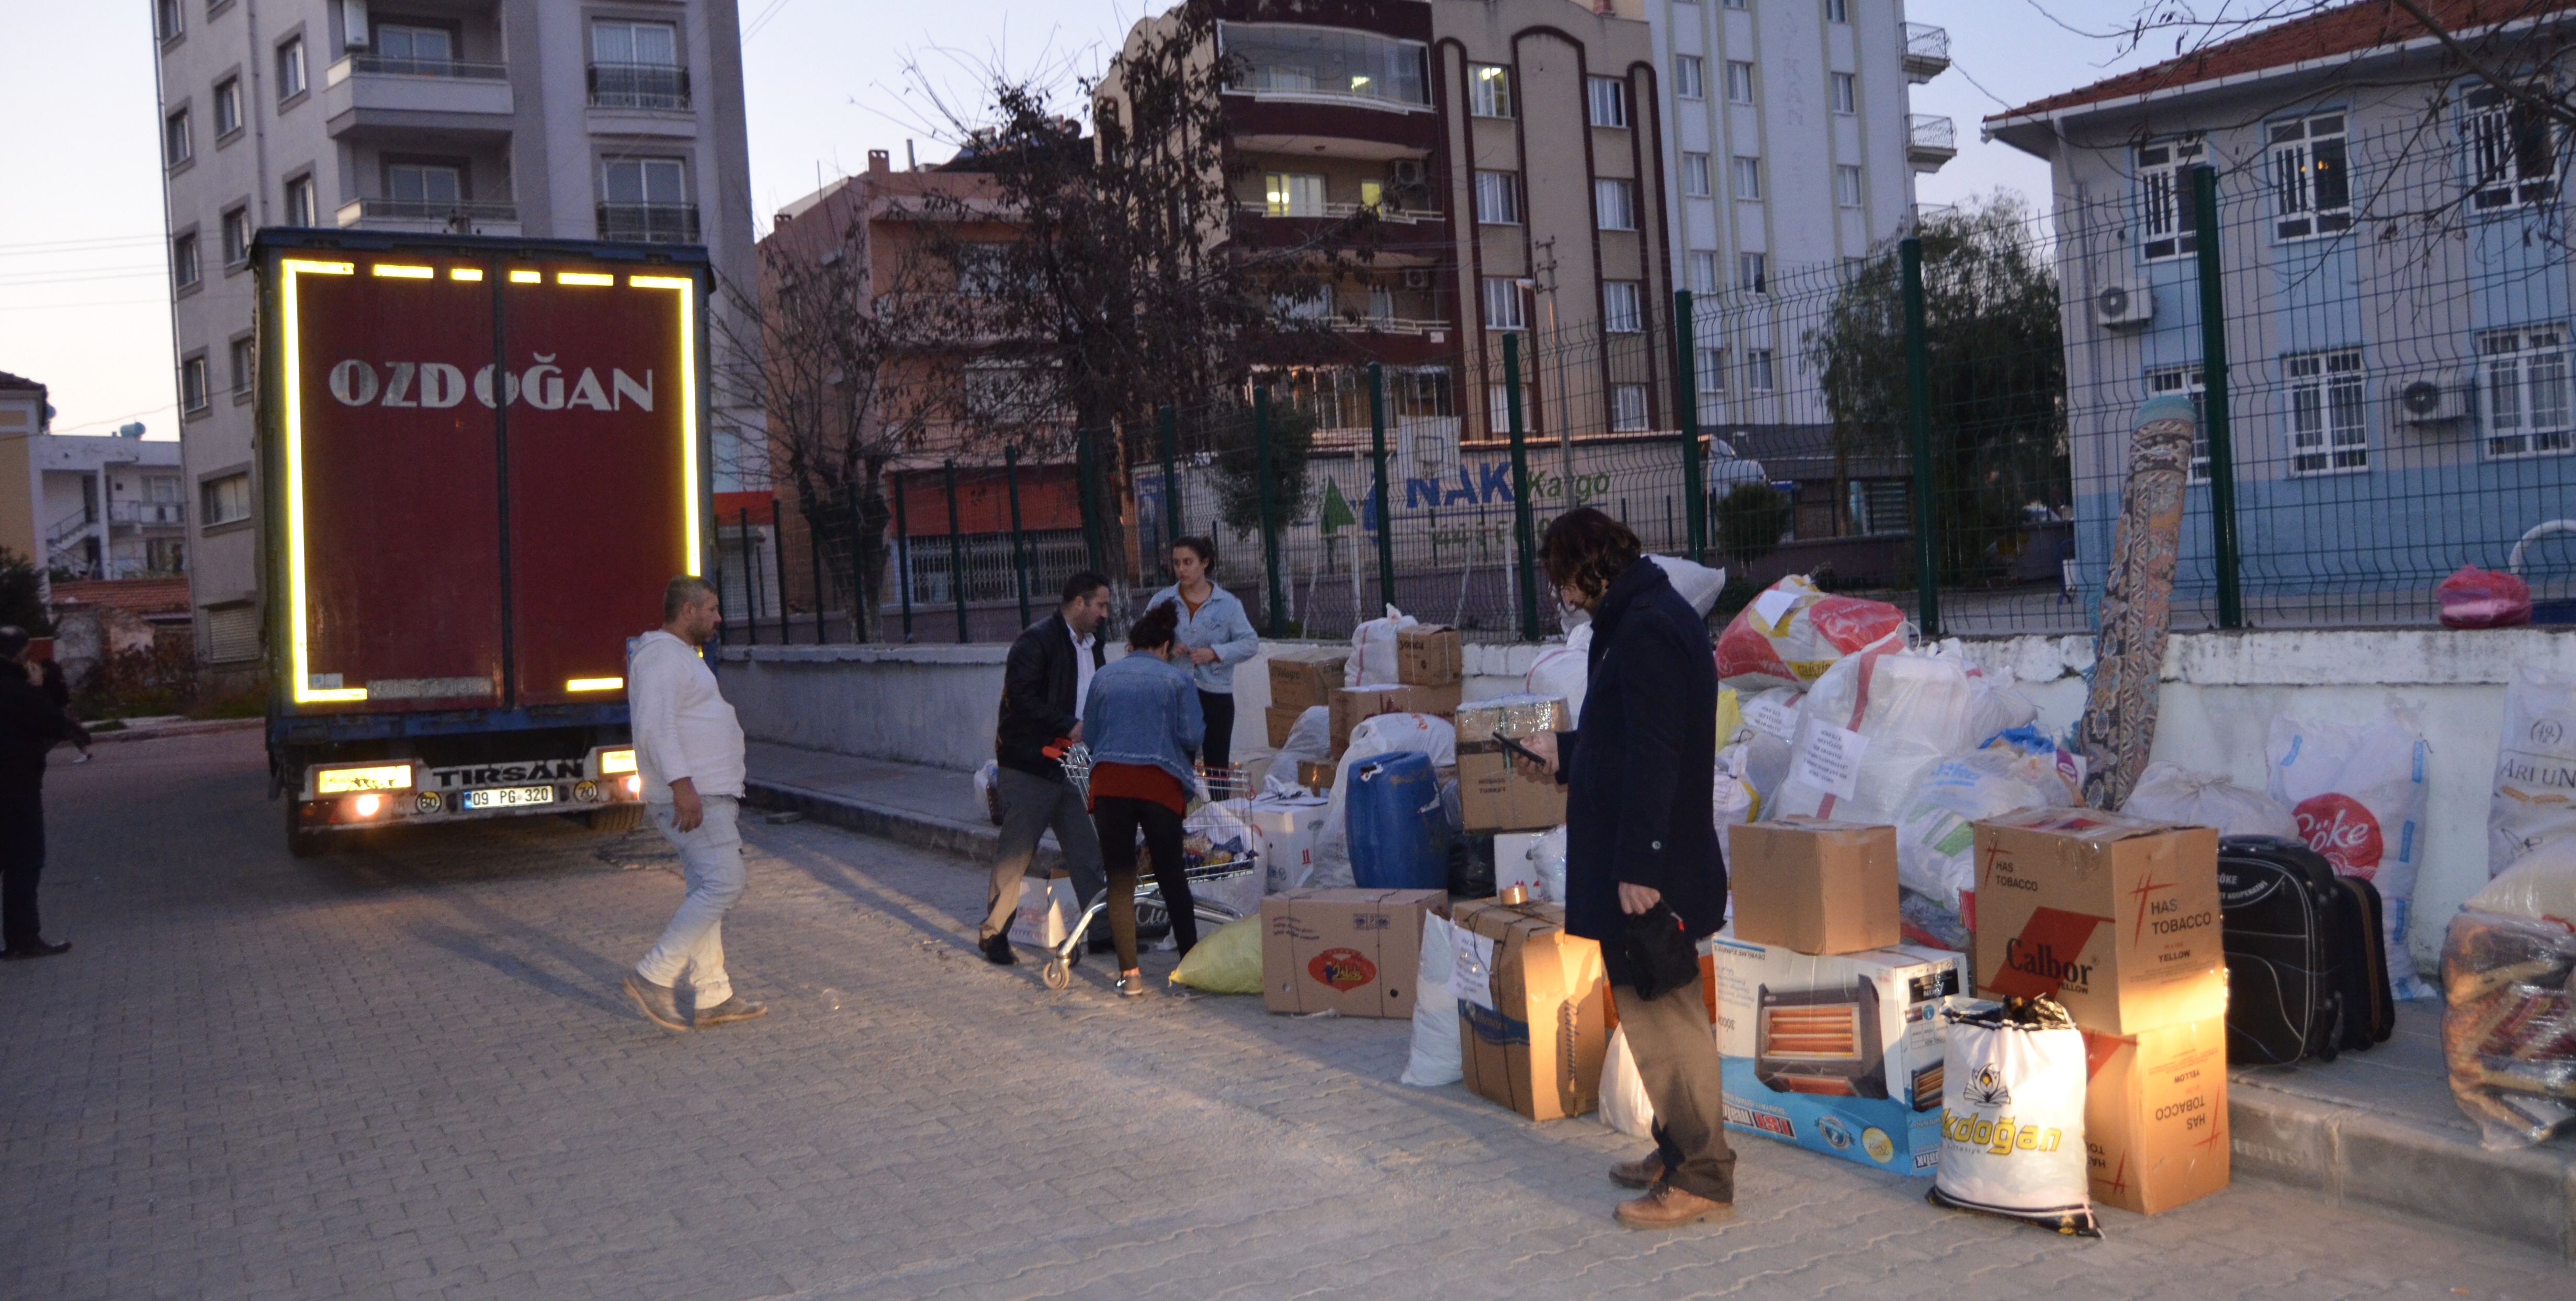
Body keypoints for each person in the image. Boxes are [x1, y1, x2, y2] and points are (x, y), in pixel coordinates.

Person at [1524, 510, 1732, 1230]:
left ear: (1592, 567)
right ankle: (1679, 1147)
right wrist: (1569, 750)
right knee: (1661, 1018)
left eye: (1565, 580)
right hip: (1645, 852)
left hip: (1652, 863)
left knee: (1667, 1020)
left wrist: (1641, 862)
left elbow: (1657, 753)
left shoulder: (1644, 627)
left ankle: (1702, 1174)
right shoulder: (1640, 614)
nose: (1565, 596)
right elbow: (1629, 734)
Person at [621, 576, 766, 1032]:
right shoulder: (663, 658)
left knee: (706, 885)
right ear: (688, 611)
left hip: (704, 792)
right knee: (726, 881)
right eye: (712, 608)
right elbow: (656, 729)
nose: (718, 617)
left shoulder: (680, 657)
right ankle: (654, 975)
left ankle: (713, 994)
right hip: (693, 795)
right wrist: (684, 787)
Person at [982, 571, 1114, 965]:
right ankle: (993, 935)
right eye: (1101, 605)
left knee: (1087, 849)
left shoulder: (1093, 645)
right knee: (1017, 852)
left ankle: (1104, 931)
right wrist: (1066, 724)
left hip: (1074, 764)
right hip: (1031, 764)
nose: (1105, 613)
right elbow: (1021, 699)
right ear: (1080, 603)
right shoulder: (1035, 641)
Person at [1079, 602, 1205, 996]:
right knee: (1172, 877)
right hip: (1159, 785)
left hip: (1110, 784)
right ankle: (1191, 970)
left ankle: (1131, 976)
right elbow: (1192, 737)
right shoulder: (1176, 682)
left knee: (1120, 879)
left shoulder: (1104, 678)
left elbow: (1090, 736)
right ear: (1166, 646)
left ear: (1131, 645)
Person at [0, 626, 89, 960]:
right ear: (21, 654)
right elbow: (52, 724)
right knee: (24, 862)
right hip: (17, 788)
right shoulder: (18, 690)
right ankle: (23, 940)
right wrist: (38, 688)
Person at [1144, 537, 1258, 773]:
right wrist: (1167, 647)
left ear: (1205, 563)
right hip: (1174, 692)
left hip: (1215, 695)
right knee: (1175, 766)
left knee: (1217, 768)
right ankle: (1180, 810)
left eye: (1188, 562)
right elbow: (1142, 639)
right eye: (1177, 563)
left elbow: (1250, 643)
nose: (1181, 570)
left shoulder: (1228, 604)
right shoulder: (1163, 600)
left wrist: (1215, 653)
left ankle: (1218, 809)